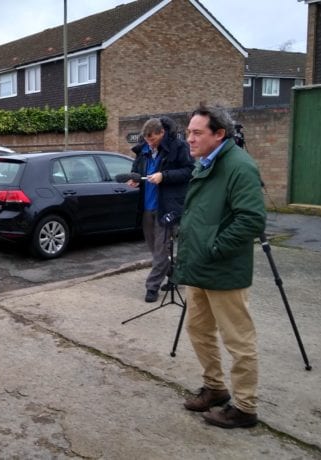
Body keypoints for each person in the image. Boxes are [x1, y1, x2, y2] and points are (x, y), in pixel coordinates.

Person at [173, 105, 266, 429]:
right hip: (199, 267)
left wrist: (214, 248)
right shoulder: (205, 164)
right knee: (198, 330)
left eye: (197, 132)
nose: (190, 138)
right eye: (188, 132)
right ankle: (214, 388)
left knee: (238, 339)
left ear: (219, 134)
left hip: (223, 269)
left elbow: (251, 219)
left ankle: (245, 407)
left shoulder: (239, 167)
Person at [127, 117, 193, 302]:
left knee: (161, 250)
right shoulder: (143, 150)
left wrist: (164, 176)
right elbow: (137, 170)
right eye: (147, 139)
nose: (150, 142)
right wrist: (135, 179)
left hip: (167, 207)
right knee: (155, 250)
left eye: (153, 138)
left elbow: (189, 171)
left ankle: (152, 287)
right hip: (147, 207)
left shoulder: (178, 147)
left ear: (161, 133)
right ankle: (175, 274)